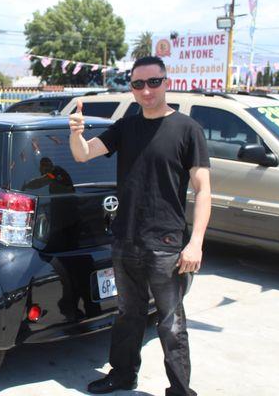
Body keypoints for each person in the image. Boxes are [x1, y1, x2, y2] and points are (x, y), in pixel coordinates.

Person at [69, 56, 211, 396]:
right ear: (131, 87)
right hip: (126, 239)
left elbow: (203, 189)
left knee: (171, 323)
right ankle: (122, 375)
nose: (146, 90)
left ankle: (180, 390)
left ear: (166, 82)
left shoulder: (187, 129)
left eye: (153, 82)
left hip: (165, 243)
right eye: (138, 84)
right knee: (127, 315)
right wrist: (75, 132)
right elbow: (83, 154)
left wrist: (196, 244)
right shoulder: (126, 126)